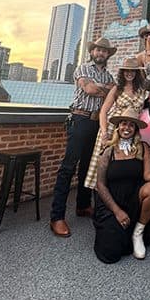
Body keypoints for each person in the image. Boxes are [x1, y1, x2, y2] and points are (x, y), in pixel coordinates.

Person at [49, 37, 116, 238]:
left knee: (88, 166)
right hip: (80, 119)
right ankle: (56, 217)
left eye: (104, 51)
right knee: (68, 167)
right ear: (92, 51)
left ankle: (83, 205)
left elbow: (115, 91)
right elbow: (90, 89)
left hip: (98, 123)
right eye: (98, 50)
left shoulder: (109, 74)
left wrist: (105, 88)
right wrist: (106, 89)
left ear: (108, 54)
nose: (101, 53)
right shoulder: (82, 69)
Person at [93, 107, 150, 263]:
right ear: (118, 127)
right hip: (112, 202)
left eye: (131, 125)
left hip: (134, 197)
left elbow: (147, 175)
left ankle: (138, 232)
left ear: (136, 129)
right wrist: (117, 211)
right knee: (110, 253)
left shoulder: (143, 147)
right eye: (124, 124)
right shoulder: (108, 151)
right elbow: (100, 185)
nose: (127, 128)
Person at [84, 57, 148, 190]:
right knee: (104, 164)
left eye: (132, 71)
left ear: (136, 73)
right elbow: (103, 111)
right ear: (122, 72)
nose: (129, 73)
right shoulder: (117, 89)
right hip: (113, 127)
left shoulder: (142, 91)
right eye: (126, 71)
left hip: (130, 129)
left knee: (124, 163)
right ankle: (101, 200)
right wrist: (104, 132)